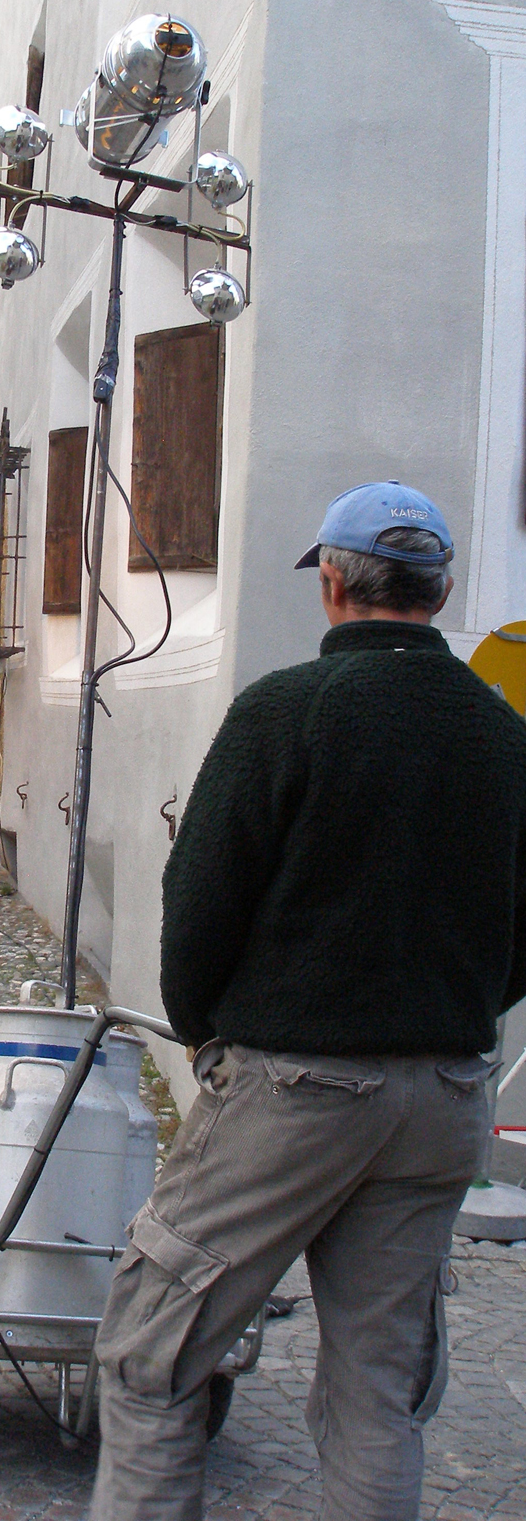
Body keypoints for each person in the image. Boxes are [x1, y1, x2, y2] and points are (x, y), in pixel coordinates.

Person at [90, 481, 526, 1521]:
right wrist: (456, 1009)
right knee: (379, 1390)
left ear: (330, 582)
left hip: (294, 1089)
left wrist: (204, 1032)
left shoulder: (286, 709)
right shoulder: (504, 733)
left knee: (149, 1354)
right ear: (441, 591)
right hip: (443, 1095)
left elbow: (199, 901)